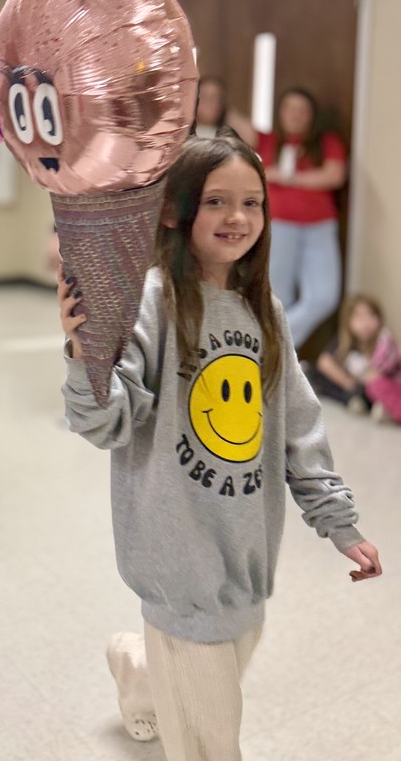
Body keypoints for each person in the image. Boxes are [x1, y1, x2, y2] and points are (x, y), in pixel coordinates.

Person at [57, 135, 381, 761]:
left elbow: (297, 427)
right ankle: (155, 668)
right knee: (211, 740)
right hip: (177, 565)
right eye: (216, 202)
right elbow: (104, 424)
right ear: (177, 211)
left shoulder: (266, 312)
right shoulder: (149, 303)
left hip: (245, 554)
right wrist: (83, 354)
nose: (238, 218)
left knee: (222, 662)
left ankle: (138, 668)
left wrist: (336, 522)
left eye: (252, 203)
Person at [252, 88, 347, 349]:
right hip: (279, 226)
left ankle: (269, 347)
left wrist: (286, 177)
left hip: (320, 228)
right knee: (277, 297)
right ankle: (277, 359)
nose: (295, 115)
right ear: (280, 113)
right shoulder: (267, 140)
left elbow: (334, 175)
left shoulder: (326, 142)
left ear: (311, 115)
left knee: (324, 296)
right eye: (290, 109)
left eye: (302, 110)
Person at [308, 293, 401, 423]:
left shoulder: (384, 341)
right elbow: (324, 362)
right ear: (348, 321)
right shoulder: (345, 342)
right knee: (317, 373)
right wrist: (349, 383)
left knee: (378, 387)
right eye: (360, 318)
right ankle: (356, 400)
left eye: (371, 316)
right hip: (354, 385)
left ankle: (379, 407)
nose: (366, 323)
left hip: (377, 386)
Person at [191, 76, 254, 142]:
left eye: (217, 97)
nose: (211, 103)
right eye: (205, 96)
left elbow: (252, 140)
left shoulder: (229, 135)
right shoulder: (184, 134)